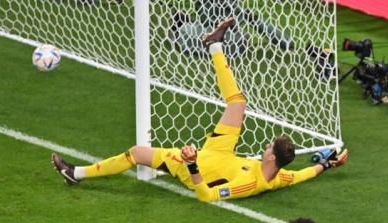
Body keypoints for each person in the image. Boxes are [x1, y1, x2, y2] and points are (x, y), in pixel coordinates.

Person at [51, 17, 348, 202]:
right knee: (239, 103)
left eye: (269, 145)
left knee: (138, 153)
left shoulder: (249, 183)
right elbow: (304, 174)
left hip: (194, 165)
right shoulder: (281, 175)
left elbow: (206, 196)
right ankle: (215, 45)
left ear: (271, 155)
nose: (266, 145)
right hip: (222, 152)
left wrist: (191, 163)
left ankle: (76, 172)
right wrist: (328, 164)